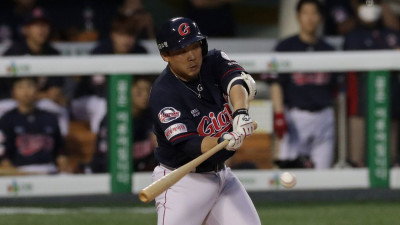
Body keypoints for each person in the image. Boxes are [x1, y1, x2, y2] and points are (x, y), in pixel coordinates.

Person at [150, 17, 259, 225]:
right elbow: (189, 144)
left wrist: (240, 113)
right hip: (181, 182)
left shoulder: (213, 60)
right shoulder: (163, 93)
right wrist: (221, 141)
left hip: (222, 177)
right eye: (181, 51)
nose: (191, 56)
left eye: (194, 46)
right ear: (166, 56)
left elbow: (237, 81)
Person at [270, 0, 338, 169]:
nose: (310, 18)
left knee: (322, 173)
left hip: (324, 115)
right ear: (298, 17)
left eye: (314, 13)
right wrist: (279, 115)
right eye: (305, 13)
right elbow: (275, 83)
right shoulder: (285, 47)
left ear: (320, 18)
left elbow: (337, 89)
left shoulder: (328, 50)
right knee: (289, 173)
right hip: (295, 116)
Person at [343, 0, 400, 167]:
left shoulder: (391, 33)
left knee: (389, 156)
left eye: (373, 3)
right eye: (366, 4)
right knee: (357, 156)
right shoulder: (354, 35)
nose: (370, 7)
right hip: (362, 99)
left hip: (391, 100)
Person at [71, 14, 148, 134]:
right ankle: (103, 143)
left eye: (131, 35)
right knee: (105, 106)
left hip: (123, 100)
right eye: (122, 35)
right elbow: (98, 88)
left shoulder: (140, 52)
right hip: (85, 100)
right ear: (113, 35)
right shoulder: (100, 52)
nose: (126, 40)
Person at [2, 7, 69, 136]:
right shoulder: (14, 53)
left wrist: (54, 95)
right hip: (11, 102)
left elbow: (55, 90)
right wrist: (45, 94)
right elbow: (15, 94)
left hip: (41, 102)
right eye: (36, 25)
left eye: (44, 25)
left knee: (59, 108)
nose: (41, 30)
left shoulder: (53, 54)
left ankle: (60, 149)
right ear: (26, 29)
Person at [0, 77, 68, 174]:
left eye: (29, 86)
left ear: (37, 89)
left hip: (49, 169)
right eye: (20, 87)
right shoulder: (7, 119)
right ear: (13, 91)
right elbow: (4, 159)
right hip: (20, 171)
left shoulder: (49, 117)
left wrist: (63, 164)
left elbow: (60, 151)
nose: (26, 91)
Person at [90, 77, 157, 173]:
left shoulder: (152, 116)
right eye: (139, 91)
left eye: (148, 91)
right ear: (126, 91)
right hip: (109, 174)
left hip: (144, 174)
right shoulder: (114, 119)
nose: (145, 95)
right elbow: (105, 156)